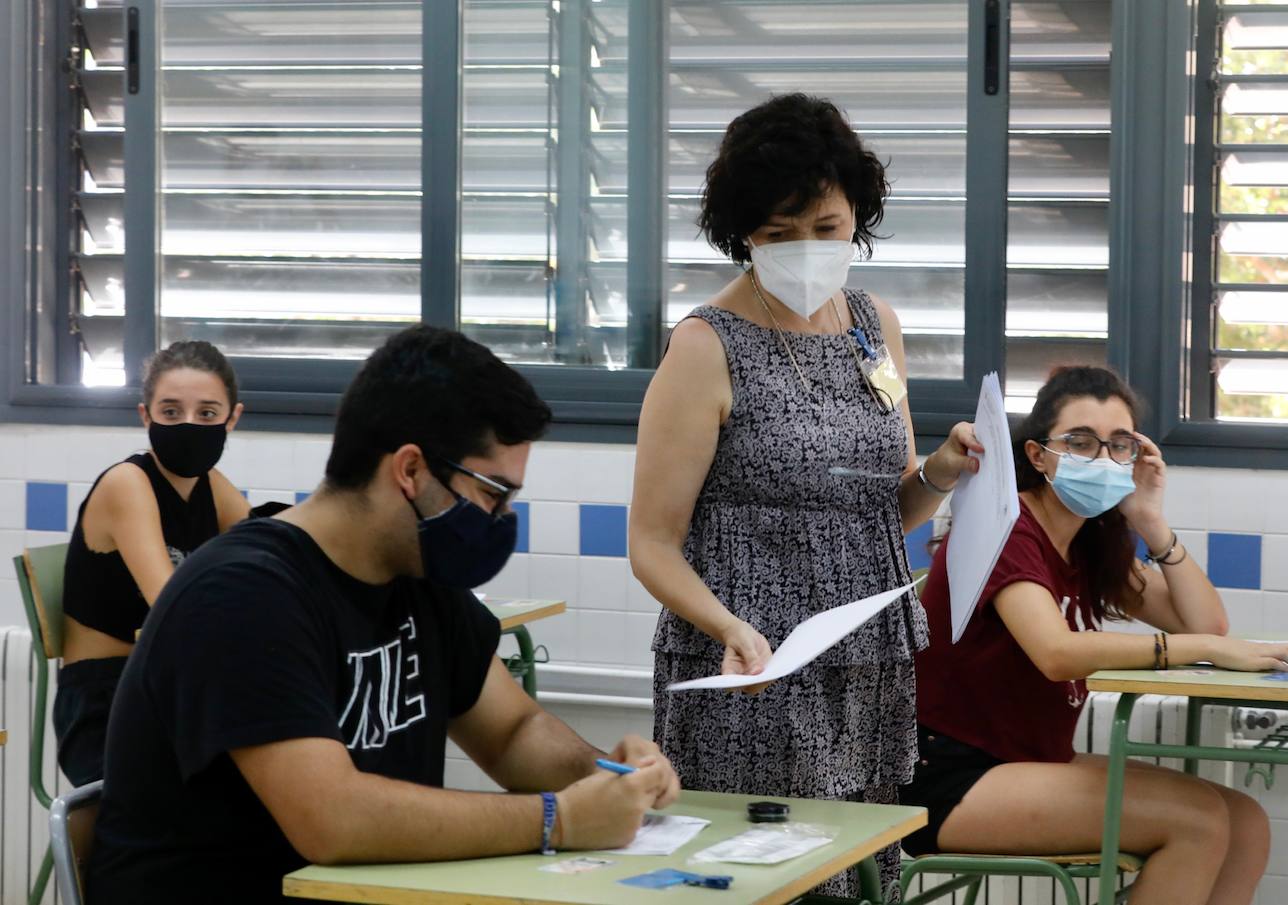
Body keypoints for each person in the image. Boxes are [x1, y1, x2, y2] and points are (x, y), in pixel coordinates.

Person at [86, 325, 681, 905]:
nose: (498, 518)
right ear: (411, 470)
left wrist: (604, 775)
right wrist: (560, 819)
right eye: (491, 493)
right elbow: (333, 820)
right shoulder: (243, 595)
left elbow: (511, 731)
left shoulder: (416, 574)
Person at [629, 93, 979, 895]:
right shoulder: (705, 345)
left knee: (860, 873)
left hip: (866, 657)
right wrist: (728, 624)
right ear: (741, 234)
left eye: (825, 228)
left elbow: (879, 507)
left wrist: (939, 473)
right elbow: (650, 540)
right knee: (762, 879)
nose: (806, 249)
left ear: (858, 214)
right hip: (752, 664)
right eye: (777, 234)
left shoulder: (871, 323)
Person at [898, 365, 1288, 905]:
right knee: (1199, 823)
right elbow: (1055, 653)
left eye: (1119, 445)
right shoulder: (1008, 526)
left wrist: (1149, 521)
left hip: (1028, 759)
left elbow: (1205, 622)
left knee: (1246, 822)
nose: (1102, 457)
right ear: (1037, 455)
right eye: (1081, 442)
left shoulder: (1092, 538)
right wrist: (1206, 651)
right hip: (948, 772)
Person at [55, 340, 251, 786]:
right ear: (145, 416)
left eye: (206, 414)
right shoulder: (129, 483)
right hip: (105, 703)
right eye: (170, 412)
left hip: (168, 689)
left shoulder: (212, 486)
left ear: (231, 418)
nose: (188, 425)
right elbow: (172, 605)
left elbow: (261, 559)